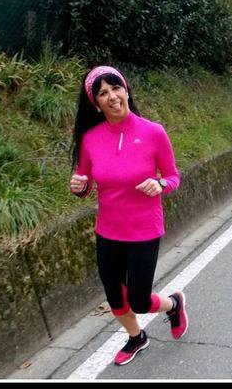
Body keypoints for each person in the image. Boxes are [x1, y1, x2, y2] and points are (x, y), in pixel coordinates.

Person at [69, 66, 187, 366]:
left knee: (139, 300)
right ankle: (137, 337)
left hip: (144, 230)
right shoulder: (90, 138)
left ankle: (174, 304)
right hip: (108, 231)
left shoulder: (153, 132)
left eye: (116, 88)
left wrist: (160, 184)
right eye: (103, 93)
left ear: (126, 90)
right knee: (114, 296)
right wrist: (79, 187)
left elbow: (173, 177)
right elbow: (84, 180)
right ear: (96, 104)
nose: (112, 96)